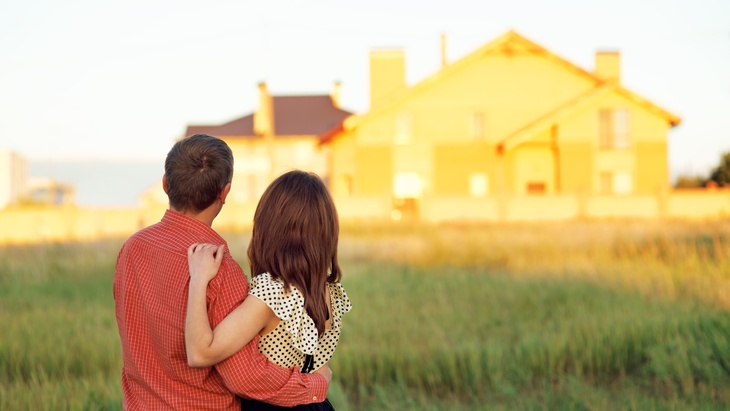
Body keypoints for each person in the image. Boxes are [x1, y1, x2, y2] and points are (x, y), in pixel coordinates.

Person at [113, 134, 330, 411]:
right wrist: (314, 383)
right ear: (224, 193)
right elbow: (245, 377)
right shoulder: (221, 269)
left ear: (166, 185)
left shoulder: (133, 249)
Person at [186, 170, 352, 411]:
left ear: (269, 228)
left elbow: (200, 353)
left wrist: (199, 279)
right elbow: (320, 370)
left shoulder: (272, 293)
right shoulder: (328, 291)